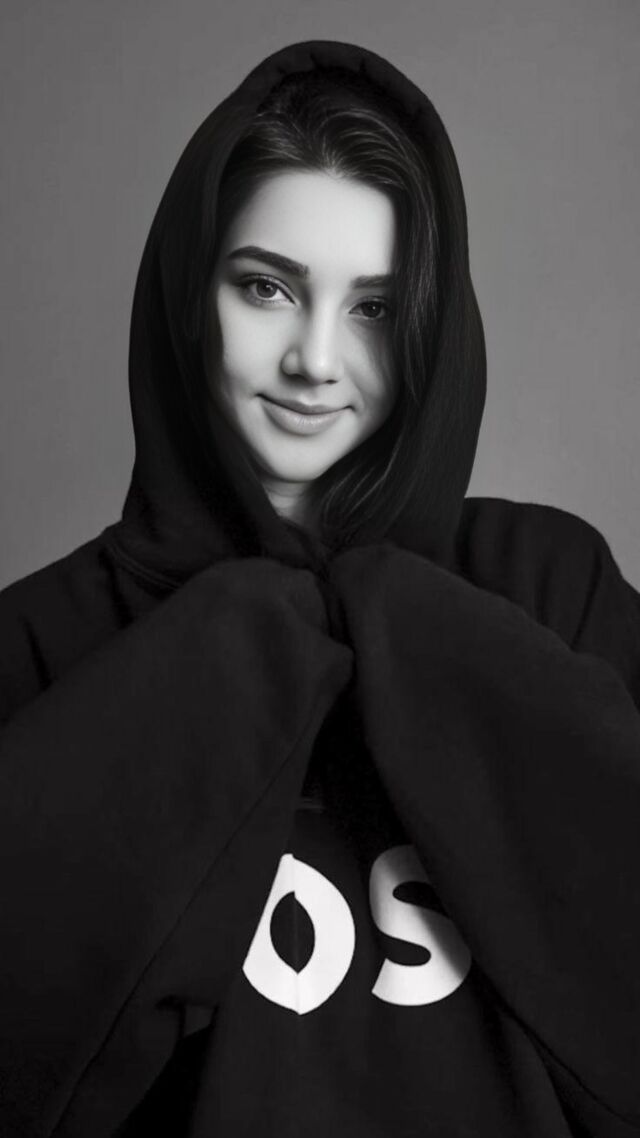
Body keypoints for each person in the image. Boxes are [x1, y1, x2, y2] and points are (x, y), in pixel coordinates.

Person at [0, 38, 639, 1138]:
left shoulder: (547, 588)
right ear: (189, 294)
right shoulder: (44, 639)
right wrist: (229, 652)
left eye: (374, 309)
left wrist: (409, 620)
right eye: (266, 287)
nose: (314, 359)